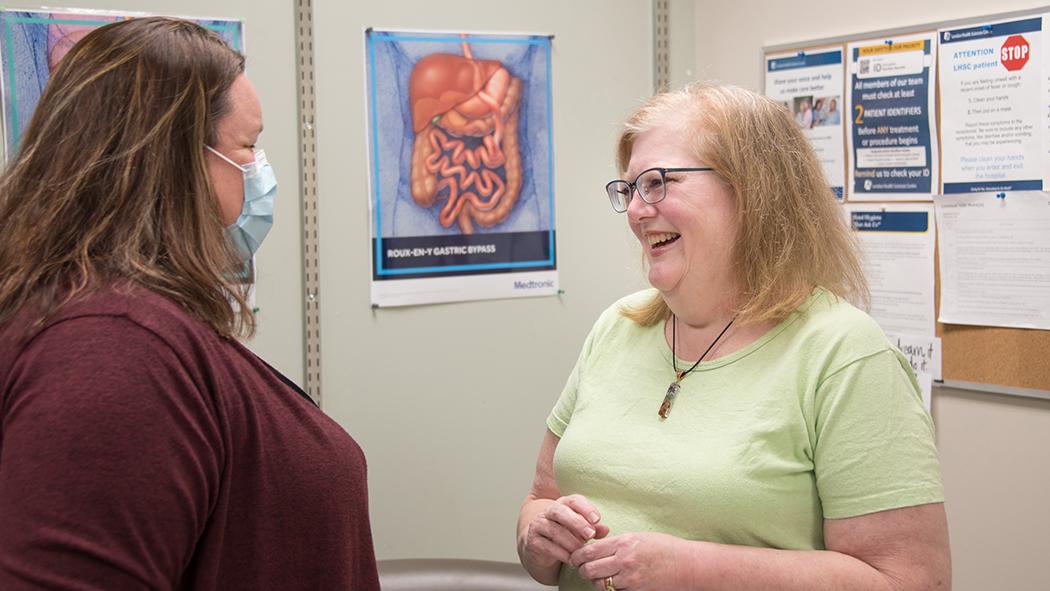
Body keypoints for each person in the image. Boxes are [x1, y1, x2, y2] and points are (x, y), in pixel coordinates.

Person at [516, 83, 949, 591]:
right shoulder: (619, 326)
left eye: (658, 183)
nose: (636, 211)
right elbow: (540, 498)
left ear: (752, 190)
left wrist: (693, 570)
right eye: (630, 189)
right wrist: (538, 537)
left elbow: (911, 580)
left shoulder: (844, 355)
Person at [0, 18, 380, 590]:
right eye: (247, 147)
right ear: (170, 159)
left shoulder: (120, 325)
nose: (260, 173)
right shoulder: (110, 349)